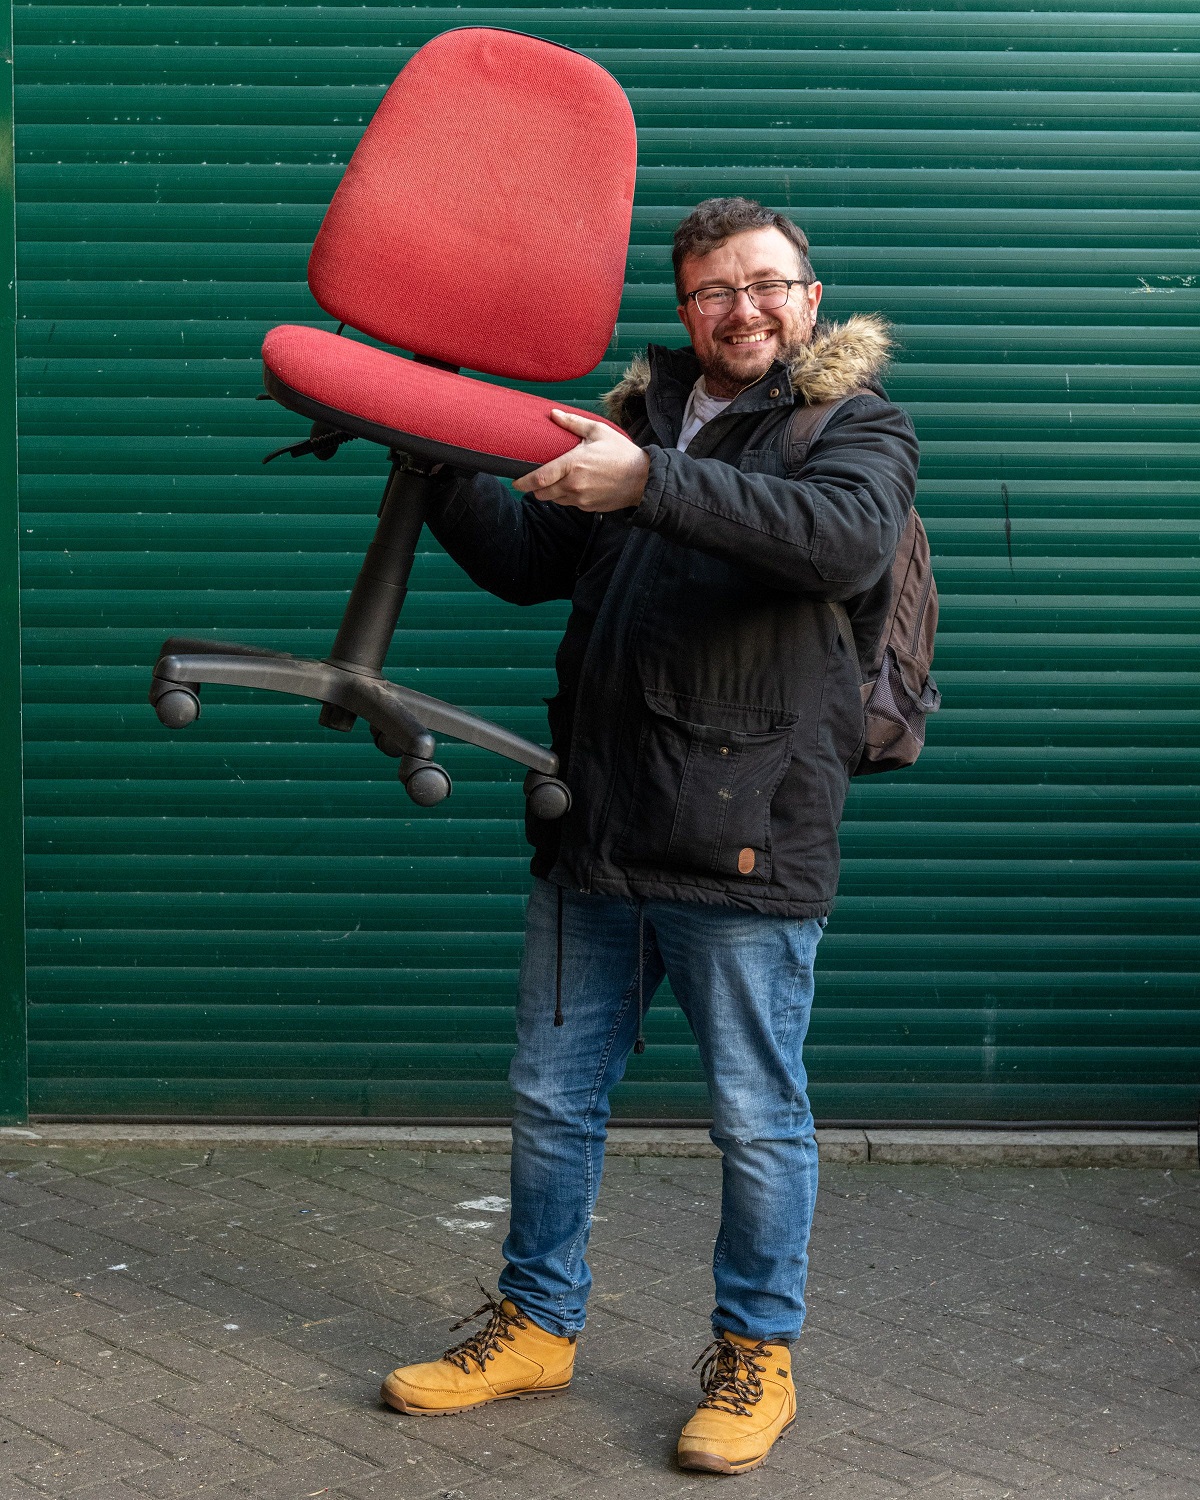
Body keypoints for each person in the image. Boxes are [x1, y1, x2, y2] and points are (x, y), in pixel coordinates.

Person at [380, 197, 920, 1475]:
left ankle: (757, 1355)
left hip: (749, 836)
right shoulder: (632, 420)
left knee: (754, 1115)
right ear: (684, 310)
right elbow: (528, 558)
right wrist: (433, 449)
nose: (743, 310)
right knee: (553, 1099)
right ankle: (535, 1325)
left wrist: (655, 482)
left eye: (767, 284)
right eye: (713, 293)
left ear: (811, 293)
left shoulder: (857, 430)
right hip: (599, 820)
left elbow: (842, 545)